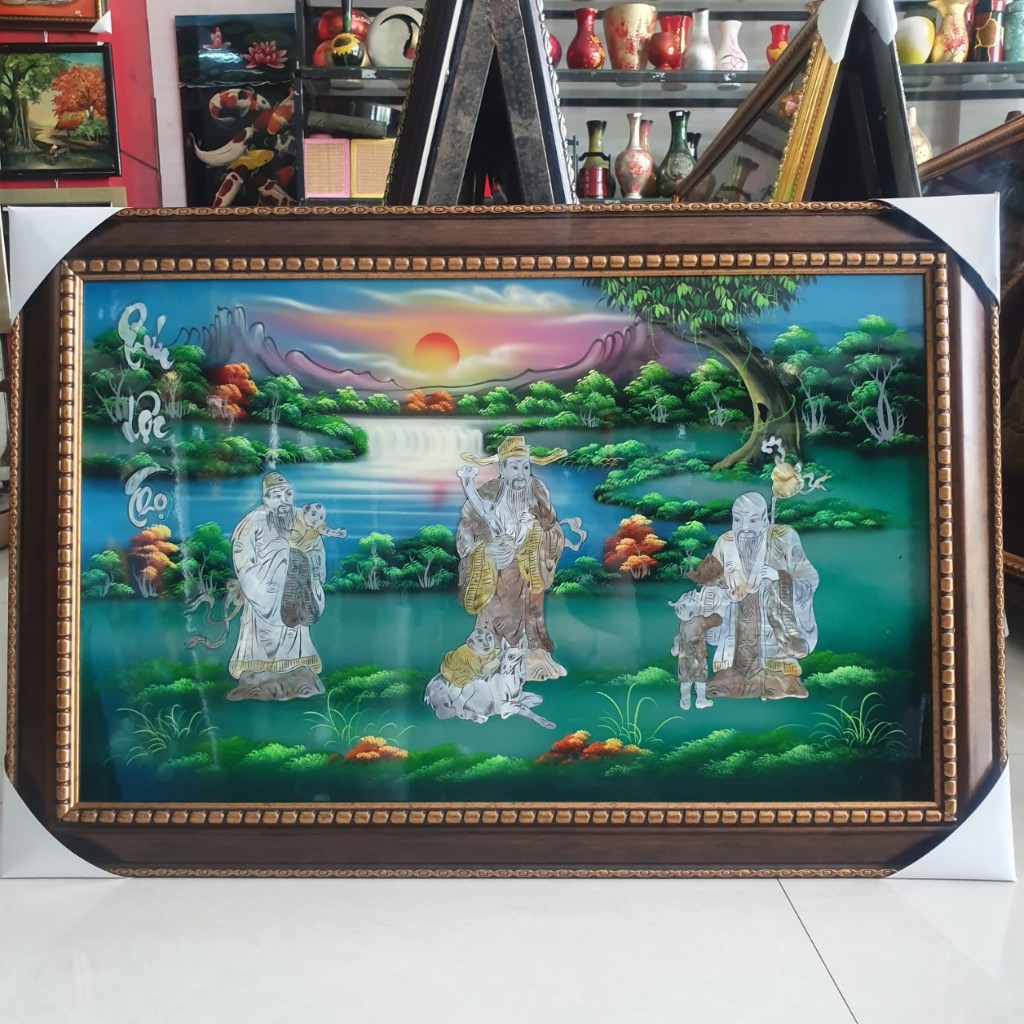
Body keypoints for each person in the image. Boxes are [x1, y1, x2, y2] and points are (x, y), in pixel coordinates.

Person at [456, 436, 570, 681]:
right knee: (494, 617)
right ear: (503, 468)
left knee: (530, 613)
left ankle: (532, 659)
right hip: (495, 572)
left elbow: (552, 528)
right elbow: (466, 532)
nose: (521, 473)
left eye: (525, 467)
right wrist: (486, 552)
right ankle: (489, 660)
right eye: (515, 467)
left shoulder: (537, 491)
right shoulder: (486, 494)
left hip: (528, 567)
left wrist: (533, 537)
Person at [697, 491, 819, 700]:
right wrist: (719, 591)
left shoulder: (783, 538)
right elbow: (711, 581)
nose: (744, 528)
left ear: (765, 520)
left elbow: (809, 580)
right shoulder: (725, 542)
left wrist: (778, 577)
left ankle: (775, 678)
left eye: (752, 520)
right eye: (738, 520)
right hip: (736, 619)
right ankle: (735, 678)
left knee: (776, 679)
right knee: (726, 680)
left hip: (771, 619)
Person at [226, 472, 326, 701]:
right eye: (278, 496)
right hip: (263, 590)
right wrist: (263, 580)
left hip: (296, 592)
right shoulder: (252, 521)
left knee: (294, 630)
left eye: (288, 495)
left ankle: (297, 675)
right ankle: (258, 680)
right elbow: (242, 558)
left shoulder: (301, 518)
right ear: (266, 498)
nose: (284, 501)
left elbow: (316, 547)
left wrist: (310, 567)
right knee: (262, 638)